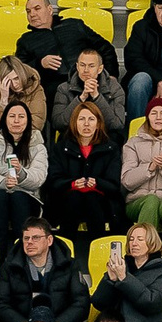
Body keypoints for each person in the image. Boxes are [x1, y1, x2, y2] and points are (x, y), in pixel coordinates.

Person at [46, 102, 126, 249]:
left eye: (91, 119)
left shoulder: (111, 148)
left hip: (101, 203)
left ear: (98, 123)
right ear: (74, 122)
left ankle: (99, 251)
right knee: (74, 197)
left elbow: (114, 185)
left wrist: (96, 183)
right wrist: (72, 184)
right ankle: (64, 252)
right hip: (67, 201)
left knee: (91, 198)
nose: (86, 124)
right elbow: (54, 181)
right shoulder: (60, 148)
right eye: (81, 119)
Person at [91, 221, 162, 322]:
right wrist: (110, 281)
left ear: (152, 243)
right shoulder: (120, 268)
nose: (134, 243)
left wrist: (125, 279)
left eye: (140, 239)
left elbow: (152, 303)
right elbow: (98, 302)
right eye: (131, 239)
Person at [0, 99, 50, 247]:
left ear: (28, 120)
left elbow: (39, 177)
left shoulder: (38, 145)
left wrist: (21, 173)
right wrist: (4, 183)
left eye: (21, 116)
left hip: (27, 197)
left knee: (18, 197)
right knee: (0, 197)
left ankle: (20, 251)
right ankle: (0, 252)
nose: (16, 121)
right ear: (5, 119)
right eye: (12, 116)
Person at [0, 219, 90, 322]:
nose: (29, 242)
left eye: (35, 238)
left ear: (49, 240)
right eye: (26, 238)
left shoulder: (70, 265)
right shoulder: (9, 267)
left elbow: (81, 303)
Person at [15, 0, 116, 93]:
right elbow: (19, 70)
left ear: (49, 9)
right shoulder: (25, 40)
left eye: (37, 9)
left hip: (88, 81)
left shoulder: (74, 25)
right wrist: (40, 64)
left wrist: (112, 75)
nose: (32, 14)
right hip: (53, 89)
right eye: (28, 11)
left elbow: (106, 48)